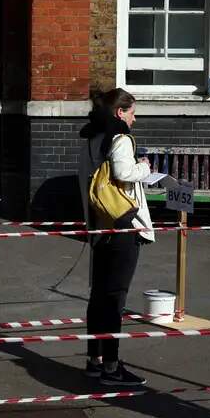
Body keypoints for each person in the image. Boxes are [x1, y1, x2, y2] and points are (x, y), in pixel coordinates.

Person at [77, 89, 155, 386]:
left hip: (99, 224)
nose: (135, 118)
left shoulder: (91, 138)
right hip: (122, 225)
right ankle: (112, 366)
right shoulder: (120, 138)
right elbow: (124, 172)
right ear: (120, 113)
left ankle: (94, 359)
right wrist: (145, 167)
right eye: (132, 112)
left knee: (98, 296)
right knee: (115, 298)